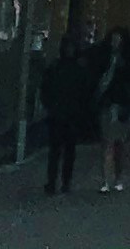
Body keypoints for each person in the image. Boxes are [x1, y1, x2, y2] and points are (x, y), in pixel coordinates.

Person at [38, 38, 93, 198]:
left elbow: (84, 93)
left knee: (65, 151)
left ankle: (63, 182)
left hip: (67, 115)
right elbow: (45, 89)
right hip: (61, 115)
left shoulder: (70, 69)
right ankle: (55, 182)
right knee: (58, 151)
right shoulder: (61, 68)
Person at [95, 35, 130, 194]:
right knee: (107, 144)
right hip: (108, 106)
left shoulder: (127, 62)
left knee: (119, 145)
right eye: (114, 40)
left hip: (121, 107)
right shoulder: (104, 60)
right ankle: (106, 180)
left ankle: (118, 178)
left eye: (118, 40)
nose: (115, 44)